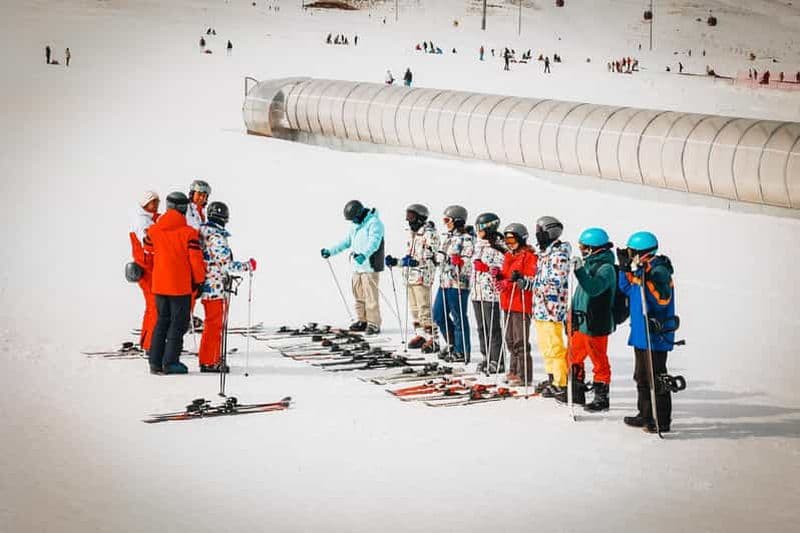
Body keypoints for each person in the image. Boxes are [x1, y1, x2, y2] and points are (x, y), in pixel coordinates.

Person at [617, 232, 678, 433]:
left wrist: (646, 278)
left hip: (655, 335)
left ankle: (661, 420)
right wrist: (625, 269)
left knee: (656, 377)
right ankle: (644, 414)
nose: (630, 255)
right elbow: (625, 287)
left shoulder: (658, 271)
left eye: (632, 252)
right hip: (641, 336)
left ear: (643, 253)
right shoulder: (641, 270)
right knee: (641, 376)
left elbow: (662, 300)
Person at [554, 228, 616, 411]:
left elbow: (593, 288)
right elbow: (579, 294)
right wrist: (570, 315)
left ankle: (601, 396)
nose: (581, 250)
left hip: (596, 322)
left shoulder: (606, 268)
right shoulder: (588, 264)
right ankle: (576, 390)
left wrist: (580, 271)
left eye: (584, 247)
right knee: (573, 356)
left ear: (594, 248)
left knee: (598, 359)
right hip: (580, 321)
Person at [144, 192, 206, 375]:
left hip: (159, 285)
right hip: (180, 286)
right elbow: (195, 261)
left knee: (161, 321)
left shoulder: (154, 230)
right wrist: (200, 282)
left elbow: (147, 247)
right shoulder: (189, 233)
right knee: (178, 324)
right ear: (183, 208)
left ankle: (155, 362)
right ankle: (170, 363)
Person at [198, 202, 256, 373]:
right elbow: (226, 264)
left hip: (211, 284)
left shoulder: (205, 233)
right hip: (214, 286)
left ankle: (211, 357)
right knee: (214, 325)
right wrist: (247, 266)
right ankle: (209, 360)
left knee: (213, 324)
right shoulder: (215, 237)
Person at [321, 200, 385, 335]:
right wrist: (331, 251)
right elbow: (346, 242)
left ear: (360, 213)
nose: (353, 221)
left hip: (369, 266)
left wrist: (364, 255)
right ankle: (362, 320)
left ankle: (374, 323)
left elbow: (374, 242)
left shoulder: (374, 223)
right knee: (359, 295)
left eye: (354, 218)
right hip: (357, 267)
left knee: (370, 296)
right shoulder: (355, 226)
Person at [526, 216, 571, 397]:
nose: (538, 235)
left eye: (540, 232)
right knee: (545, 346)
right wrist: (525, 282)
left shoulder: (558, 255)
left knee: (554, 346)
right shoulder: (545, 253)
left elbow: (556, 281)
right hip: (541, 308)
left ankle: (561, 382)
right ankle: (552, 377)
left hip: (552, 308)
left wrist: (535, 284)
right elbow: (540, 280)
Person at [385, 204, 438, 350]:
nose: (409, 220)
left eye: (412, 216)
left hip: (422, 275)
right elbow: (410, 255)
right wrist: (397, 262)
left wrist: (414, 261)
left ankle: (433, 339)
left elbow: (431, 256)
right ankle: (420, 335)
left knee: (424, 308)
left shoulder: (429, 233)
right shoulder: (411, 233)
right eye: (407, 216)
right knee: (414, 309)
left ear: (421, 217)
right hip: (410, 276)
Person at [496, 223, 537, 386]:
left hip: (521, 303)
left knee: (520, 340)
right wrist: (499, 276)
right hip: (507, 302)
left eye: (512, 239)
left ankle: (524, 374)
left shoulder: (529, 257)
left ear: (521, 239)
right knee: (509, 339)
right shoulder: (508, 256)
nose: (508, 243)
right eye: (506, 240)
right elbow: (507, 276)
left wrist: (513, 282)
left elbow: (530, 280)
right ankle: (513, 370)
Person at [432, 205, 474, 362]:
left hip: (458, 284)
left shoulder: (467, 239)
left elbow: (469, 262)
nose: (445, 223)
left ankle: (461, 350)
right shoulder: (448, 237)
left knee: (458, 317)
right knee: (438, 315)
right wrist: (435, 257)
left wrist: (456, 261)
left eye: (447, 220)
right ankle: (451, 344)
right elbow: (440, 257)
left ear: (457, 221)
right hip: (444, 282)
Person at [471, 213, 506, 374]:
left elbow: (503, 267)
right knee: (481, 327)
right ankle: (486, 356)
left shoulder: (499, 245)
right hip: (477, 292)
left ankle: (497, 359)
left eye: (480, 228)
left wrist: (486, 268)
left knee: (492, 327)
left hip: (490, 293)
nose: (477, 231)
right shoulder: (478, 244)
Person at [129, 191, 160, 353]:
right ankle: (150, 345)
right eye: (152, 202)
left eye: (157, 202)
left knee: (151, 306)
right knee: (155, 306)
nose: (155, 206)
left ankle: (147, 341)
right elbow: (147, 242)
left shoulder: (148, 219)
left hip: (148, 267)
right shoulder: (143, 221)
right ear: (144, 204)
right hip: (147, 268)